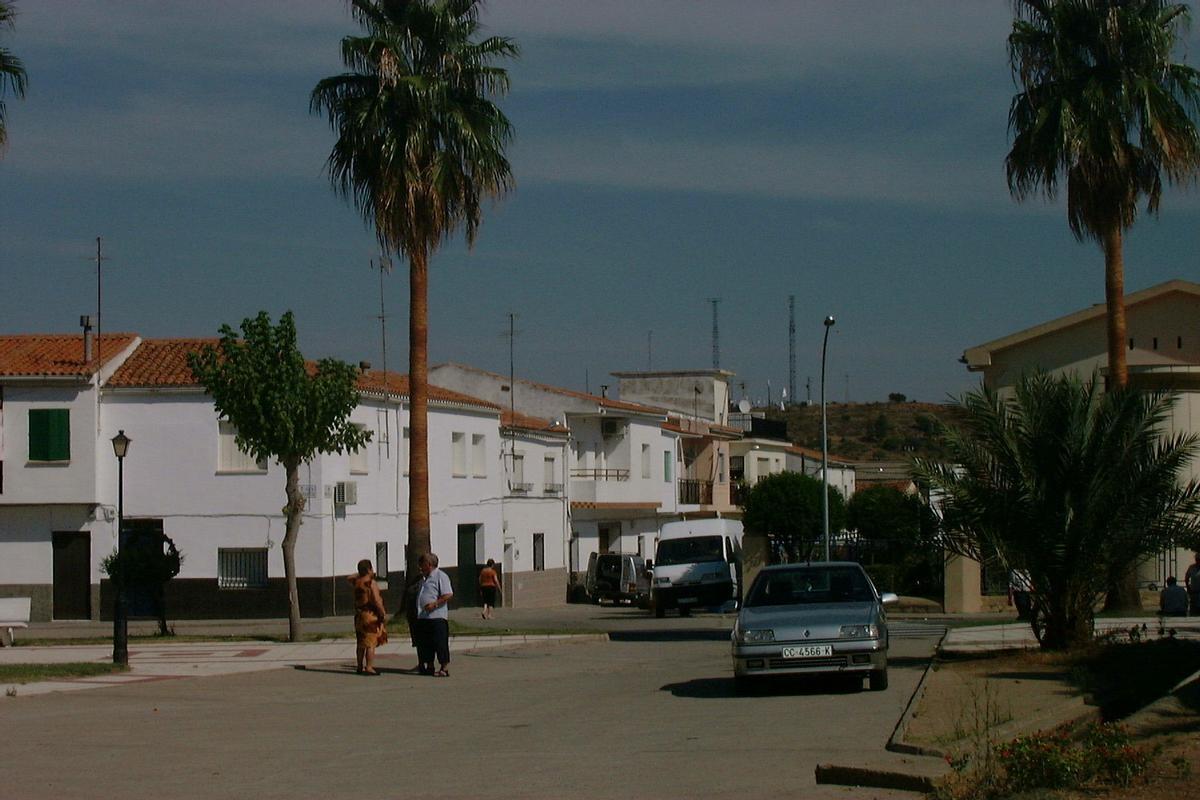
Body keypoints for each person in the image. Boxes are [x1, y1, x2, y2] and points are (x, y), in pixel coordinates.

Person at [414, 552, 454, 677]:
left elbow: (448, 594)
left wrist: (435, 604)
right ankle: (429, 665)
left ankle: (444, 667)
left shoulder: (440, 576)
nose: (420, 567)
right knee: (426, 643)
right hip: (423, 616)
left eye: (422, 564)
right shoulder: (424, 579)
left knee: (440, 642)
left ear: (429, 564)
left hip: (437, 616)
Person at [348, 559, 387, 676]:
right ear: (369, 569)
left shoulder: (357, 581)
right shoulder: (370, 583)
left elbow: (348, 577)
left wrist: (360, 573)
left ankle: (359, 666)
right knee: (370, 642)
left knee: (360, 642)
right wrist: (382, 613)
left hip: (359, 614)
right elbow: (376, 600)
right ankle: (369, 666)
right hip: (370, 615)